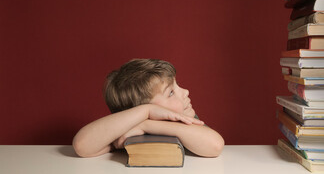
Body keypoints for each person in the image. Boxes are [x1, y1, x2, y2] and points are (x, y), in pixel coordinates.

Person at [73, 59, 224, 158]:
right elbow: (82, 145)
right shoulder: (123, 129)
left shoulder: (184, 119)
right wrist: (146, 111)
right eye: (171, 92)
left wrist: (145, 124)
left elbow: (215, 145)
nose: (186, 92)